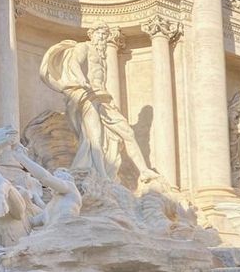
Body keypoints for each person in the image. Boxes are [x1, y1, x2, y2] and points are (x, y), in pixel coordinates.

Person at [40, 24, 158, 185]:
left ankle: (144, 171)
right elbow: (74, 63)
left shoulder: (103, 56)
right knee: (94, 138)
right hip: (88, 96)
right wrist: (81, 79)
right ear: (92, 35)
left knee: (128, 133)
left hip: (103, 99)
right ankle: (102, 176)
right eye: (100, 34)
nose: (102, 37)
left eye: (104, 35)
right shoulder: (85, 47)